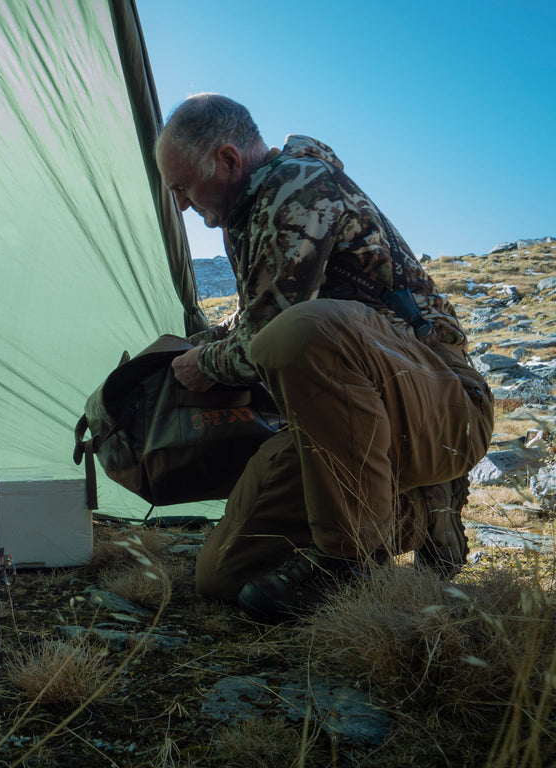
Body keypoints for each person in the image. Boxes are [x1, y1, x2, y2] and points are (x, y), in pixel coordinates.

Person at [155, 94, 494, 623]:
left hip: (443, 408)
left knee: (299, 334)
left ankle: (352, 559)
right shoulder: (250, 213)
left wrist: (208, 364)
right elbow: (254, 321)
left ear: (226, 160)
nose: (179, 204)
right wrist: (197, 347)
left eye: (181, 187)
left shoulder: (298, 189)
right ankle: (418, 512)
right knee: (222, 575)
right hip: (354, 424)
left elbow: (273, 337)